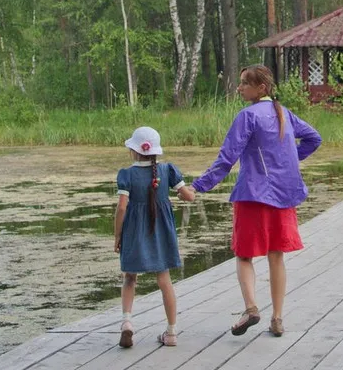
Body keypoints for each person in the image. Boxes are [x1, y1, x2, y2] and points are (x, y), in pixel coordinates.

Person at [185, 64, 322, 338]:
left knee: (244, 255)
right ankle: (278, 318)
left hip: (252, 195)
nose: (239, 88)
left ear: (261, 88)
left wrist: (198, 186)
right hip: (283, 197)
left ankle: (251, 308)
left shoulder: (247, 116)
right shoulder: (284, 114)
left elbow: (227, 157)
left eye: (244, 83)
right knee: (276, 255)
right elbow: (313, 138)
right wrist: (289, 160)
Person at [114, 125, 195, 349]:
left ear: (134, 151)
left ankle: (127, 322)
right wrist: (193, 191)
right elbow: (188, 197)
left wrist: (118, 235)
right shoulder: (168, 171)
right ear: (156, 151)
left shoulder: (126, 174)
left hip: (134, 231)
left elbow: (122, 208)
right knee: (164, 279)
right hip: (162, 231)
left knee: (130, 277)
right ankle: (171, 332)